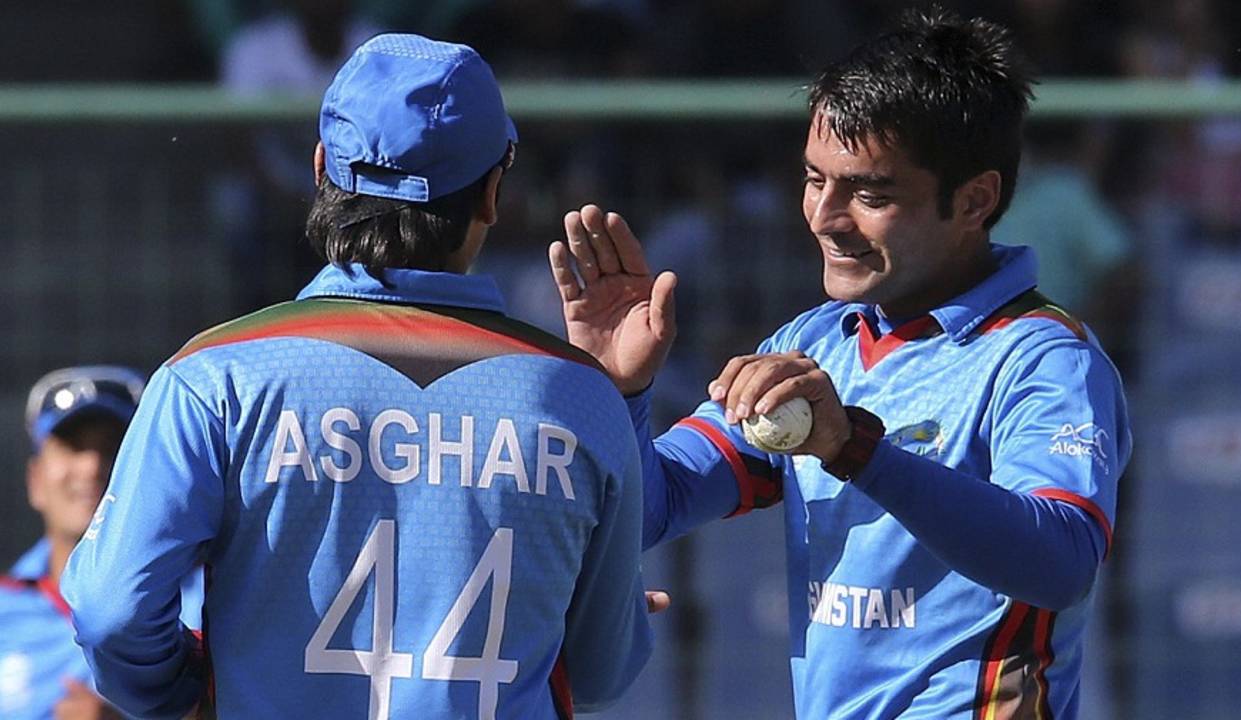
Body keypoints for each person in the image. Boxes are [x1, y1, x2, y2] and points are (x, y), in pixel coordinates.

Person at [550, 8, 1131, 719]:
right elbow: (651, 509)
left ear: (975, 200)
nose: (825, 217)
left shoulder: (1045, 359)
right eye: (813, 179)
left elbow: (1062, 562)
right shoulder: (814, 344)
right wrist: (617, 392)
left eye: (869, 193)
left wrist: (854, 448)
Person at [62, 34, 654, 720]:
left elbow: (111, 614)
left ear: (320, 168)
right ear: (493, 193)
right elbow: (604, 673)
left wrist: (183, 693)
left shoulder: (213, 377)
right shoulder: (583, 398)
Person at [0, 366, 144, 720]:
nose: (91, 466)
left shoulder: (206, 600)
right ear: (35, 480)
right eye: (72, 446)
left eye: (112, 449)